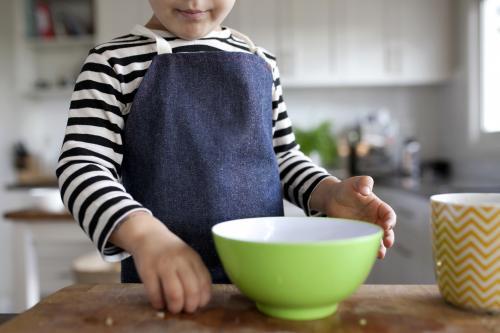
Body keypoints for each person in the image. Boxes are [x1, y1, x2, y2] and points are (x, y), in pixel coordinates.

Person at [56, 0, 396, 315]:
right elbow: (81, 166)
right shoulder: (112, 63)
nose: (194, 0)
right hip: (165, 289)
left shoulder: (261, 62)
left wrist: (329, 192)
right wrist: (146, 238)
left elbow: (284, 157)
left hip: (265, 284)